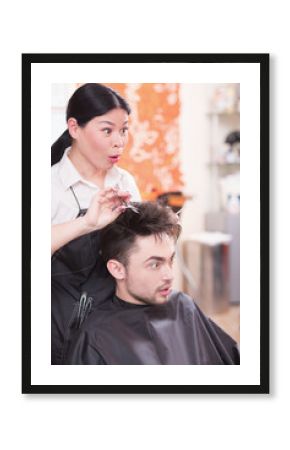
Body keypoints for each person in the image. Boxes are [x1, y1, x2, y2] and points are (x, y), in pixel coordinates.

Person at [65, 202, 240, 365]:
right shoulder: (96, 337)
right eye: (155, 264)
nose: (169, 275)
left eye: (170, 260)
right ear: (117, 269)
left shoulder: (184, 307)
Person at [51, 83, 141, 364]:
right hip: (62, 327)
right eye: (107, 130)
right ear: (74, 128)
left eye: (124, 129)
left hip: (117, 316)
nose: (119, 141)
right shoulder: (47, 185)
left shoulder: (124, 181)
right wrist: (87, 223)